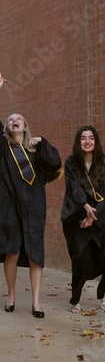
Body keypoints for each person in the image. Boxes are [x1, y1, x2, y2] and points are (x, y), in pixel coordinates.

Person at [0, 71, 61, 318]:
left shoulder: (35, 149)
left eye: (19, 119)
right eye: (11, 119)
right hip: (9, 205)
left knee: (35, 253)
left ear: (25, 126)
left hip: (34, 205)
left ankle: (37, 302)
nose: (14, 121)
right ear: (8, 127)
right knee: (12, 251)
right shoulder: (3, 147)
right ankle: (11, 294)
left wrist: (43, 142)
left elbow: (55, 164)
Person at [61, 126, 105, 313]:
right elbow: (74, 188)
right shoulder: (72, 163)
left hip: (100, 217)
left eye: (91, 138)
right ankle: (75, 298)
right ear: (78, 142)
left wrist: (94, 216)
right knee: (81, 258)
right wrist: (86, 209)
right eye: (83, 138)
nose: (87, 141)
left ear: (96, 141)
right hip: (77, 216)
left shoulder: (103, 163)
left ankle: (103, 294)